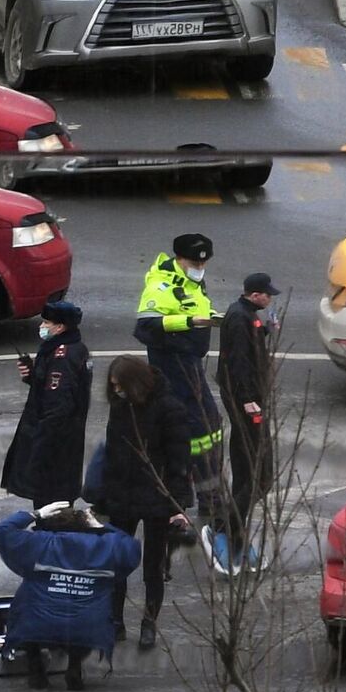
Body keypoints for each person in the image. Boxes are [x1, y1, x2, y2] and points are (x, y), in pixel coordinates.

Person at [98, 355, 192, 657]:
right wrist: (105, 495)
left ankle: (149, 623)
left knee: (153, 566)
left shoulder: (169, 410)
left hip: (156, 497)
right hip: (124, 495)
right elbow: (112, 452)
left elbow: (179, 460)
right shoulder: (121, 406)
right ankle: (115, 621)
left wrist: (178, 505)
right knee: (117, 564)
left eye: (119, 385)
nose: (116, 391)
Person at [134, 233, 225, 543]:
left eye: (204, 261)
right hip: (174, 371)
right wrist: (190, 324)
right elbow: (145, 327)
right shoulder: (161, 286)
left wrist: (208, 320)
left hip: (190, 368)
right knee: (193, 434)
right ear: (178, 258)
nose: (200, 266)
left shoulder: (192, 281)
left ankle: (207, 495)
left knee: (211, 428)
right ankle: (197, 500)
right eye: (194, 261)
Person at [0, 502, 141, 691]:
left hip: (38, 625)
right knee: (87, 613)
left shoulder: (39, 542)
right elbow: (132, 548)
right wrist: (100, 526)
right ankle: (74, 666)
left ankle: (36, 668)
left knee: (25, 606)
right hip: (86, 629)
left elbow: (1, 530)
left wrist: (34, 514)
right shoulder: (105, 546)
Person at [212, 272, 280, 574]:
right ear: (255, 295)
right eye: (267, 294)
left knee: (246, 465)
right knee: (260, 474)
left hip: (246, 399)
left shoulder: (244, 315)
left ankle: (230, 523)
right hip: (247, 401)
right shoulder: (240, 318)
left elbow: (245, 345)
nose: (270, 298)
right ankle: (226, 526)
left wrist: (264, 330)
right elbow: (238, 363)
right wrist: (248, 400)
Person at [1, 301, 92, 510]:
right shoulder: (67, 349)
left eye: (46, 322)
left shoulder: (63, 356)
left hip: (54, 445)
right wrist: (34, 376)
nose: (42, 326)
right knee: (53, 498)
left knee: (51, 503)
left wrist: (40, 447)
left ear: (60, 327)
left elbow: (58, 404)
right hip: (61, 441)